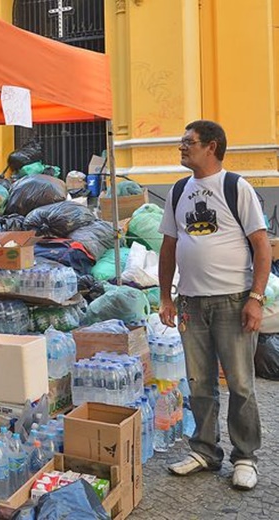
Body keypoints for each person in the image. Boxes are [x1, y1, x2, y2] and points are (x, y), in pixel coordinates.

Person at [159, 120, 268, 491]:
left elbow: (262, 245)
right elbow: (169, 246)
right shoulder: (177, 190)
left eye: (188, 142)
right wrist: (164, 296)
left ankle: (245, 457)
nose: (181, 147)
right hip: (191, 302)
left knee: (240, 383)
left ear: (212, 146)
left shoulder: (236, 187)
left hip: (233, 302)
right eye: (182, 142)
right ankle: (205, 450)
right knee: (199, 382)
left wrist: (255, 297)